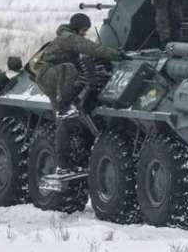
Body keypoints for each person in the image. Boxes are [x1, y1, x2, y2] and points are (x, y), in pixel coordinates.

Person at [30, 13, 120, 174]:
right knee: (70, 70)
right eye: (84, 30)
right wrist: (115, 54)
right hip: (49, 75)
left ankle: (64, 164)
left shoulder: (68, 37)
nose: (85, 33)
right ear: (77, 27)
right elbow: (90, 47)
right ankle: (65, 105)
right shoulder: (67, 37)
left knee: (64, 123)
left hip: (55, 78)